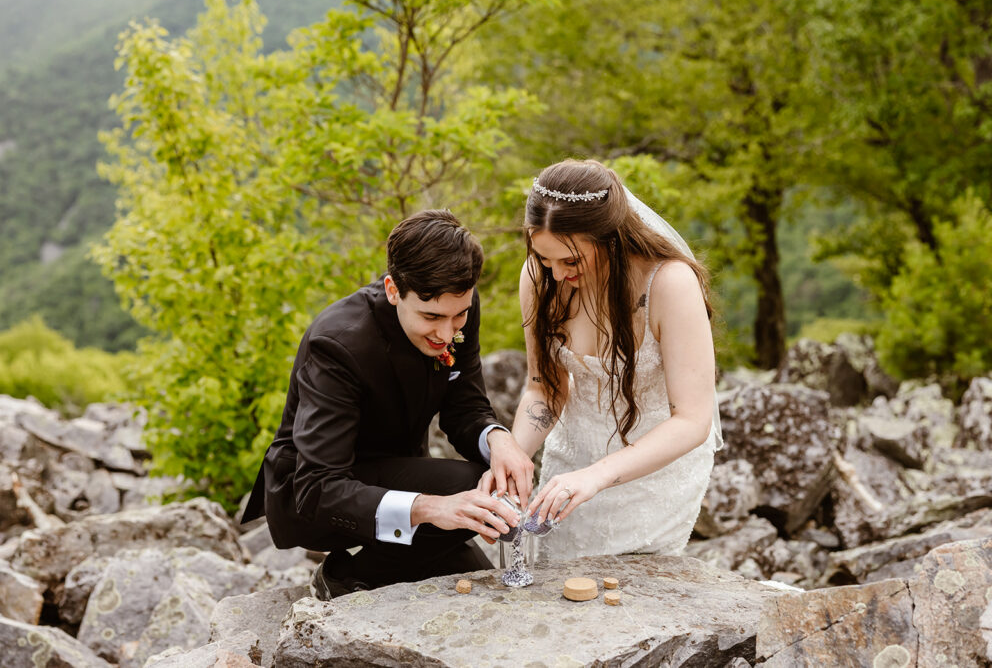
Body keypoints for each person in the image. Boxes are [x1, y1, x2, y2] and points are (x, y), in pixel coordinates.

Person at [242, 209, 533, 598]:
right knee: (467, 489)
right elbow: (318, 486)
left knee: (481, 545)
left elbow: (465, 407)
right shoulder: (336, 343)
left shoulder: (457, 303)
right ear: (394, 290)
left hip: (398, 470)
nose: (447, 334)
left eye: (458, 316)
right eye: (431, 317)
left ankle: (389, 562)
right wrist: (430, 509)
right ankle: (342, 575)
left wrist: (500, 440)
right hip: (316, 495)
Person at [506, 159, 724, 561]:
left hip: (654, 471)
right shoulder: (540, 277)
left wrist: (598, 475)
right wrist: (514, 459)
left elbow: (693, 420)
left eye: (571, 261)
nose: (554, 275)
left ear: (612, 240)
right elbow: (545, 388)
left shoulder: (669, 284)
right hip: (571, 458)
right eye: (544, 258)